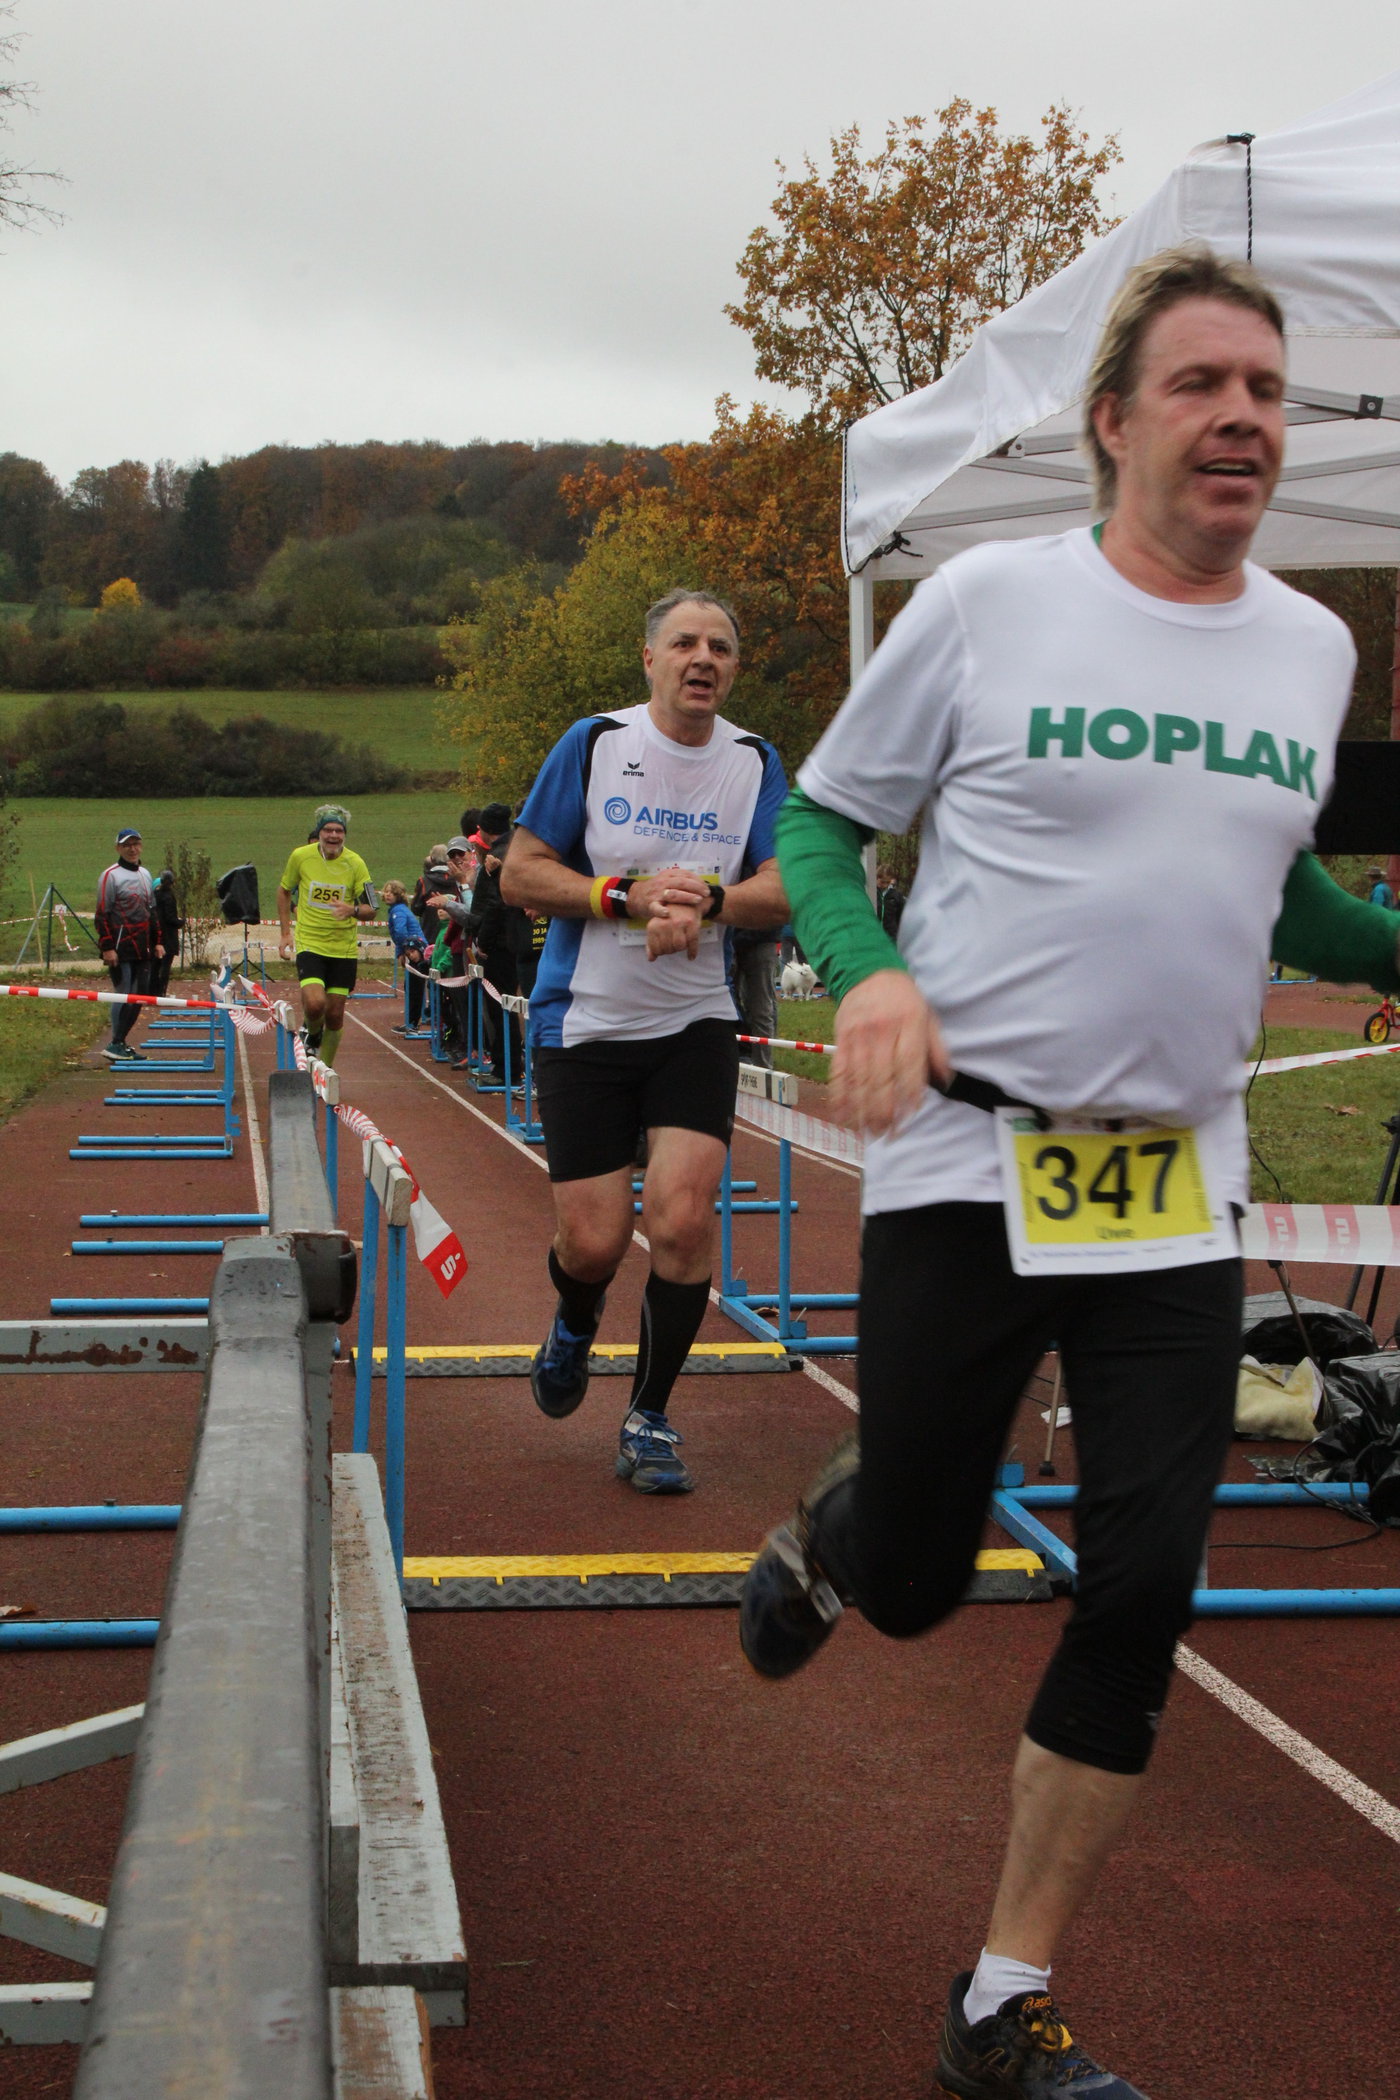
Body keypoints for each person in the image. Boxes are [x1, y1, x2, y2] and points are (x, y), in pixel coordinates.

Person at [738, 246, 1400, 2099]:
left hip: (1176, 1188)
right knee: (923, 1584)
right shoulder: (985, 606)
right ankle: (849, 1530)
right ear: (1112, 422)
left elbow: (1286, 887)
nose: (1243, 418)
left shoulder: (1311, 648)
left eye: (1267, 391)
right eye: (1202, 385)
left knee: (1146, 1587)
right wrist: (870, 978)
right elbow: (822, 822)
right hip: (972, 1159)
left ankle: (1000, 1996)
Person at [501, 588, 788, 1494]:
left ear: (733, 668)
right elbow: (520, 874)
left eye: (721, 648)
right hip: (585, 1023)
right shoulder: (595, 743)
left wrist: (712, 902)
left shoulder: (753, 760)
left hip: (693, 1023)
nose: (704, 659)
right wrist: (620, 898)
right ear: (650, 657)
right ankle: (575, 1321)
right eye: (686, 643)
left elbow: (788, 885)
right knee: (594, 1243)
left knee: (682, 1220)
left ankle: (649, 1417)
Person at [276, 804, 377, 1067]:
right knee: (314, 1003)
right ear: (319, 833)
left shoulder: (355, 863)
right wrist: (285, 933)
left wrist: (352, 909)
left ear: (345, 835)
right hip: (310, 941)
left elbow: (372, 909)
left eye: (339, 831)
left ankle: (325, 1070)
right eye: (328, 830)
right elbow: (284, 891)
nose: (333, 835)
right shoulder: (301, 856)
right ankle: (312, 1032)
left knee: (334, 1015)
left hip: (343, 947)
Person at [95, 826, 164, 1062]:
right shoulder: (110, 876)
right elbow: (101, 915)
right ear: (118, 848)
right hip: (120, 946)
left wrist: (158, 942)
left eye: (135, 844)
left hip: (143, 946)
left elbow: (151, 911)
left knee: (140, 995)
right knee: (123, 994)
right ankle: (116, 1043)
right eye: (127, 845)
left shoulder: (145, 874)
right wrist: (107, 947)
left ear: (141, 847)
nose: (132, 849)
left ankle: (119, 1042)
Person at [383, 880, 431, 1031]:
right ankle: (412, 1021)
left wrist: (405, 952)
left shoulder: (398, 911)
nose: (388, 894)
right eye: (386, 891)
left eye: (392, 892)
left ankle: (413, 1024)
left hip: (416, 950)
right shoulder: (398, 909)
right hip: (414, 948)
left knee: (414, 987)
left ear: (399, 895)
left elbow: (401, 932)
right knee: (411, 986)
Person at [151, 868, 183, 999]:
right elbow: (170, 918)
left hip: (156, 934)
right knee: (165, 966)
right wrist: (180, 922)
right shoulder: (169, 897)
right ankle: (161, 992)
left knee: (155, 965)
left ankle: (152, 992)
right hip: (168, 936)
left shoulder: (155, 895)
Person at [875, 863, 906, 942]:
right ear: (877, 878)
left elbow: (902, 917)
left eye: (888, 882)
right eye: (882, 882)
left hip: (891, 938)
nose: (885, 885)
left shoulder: (897, 895)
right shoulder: (871, 893)